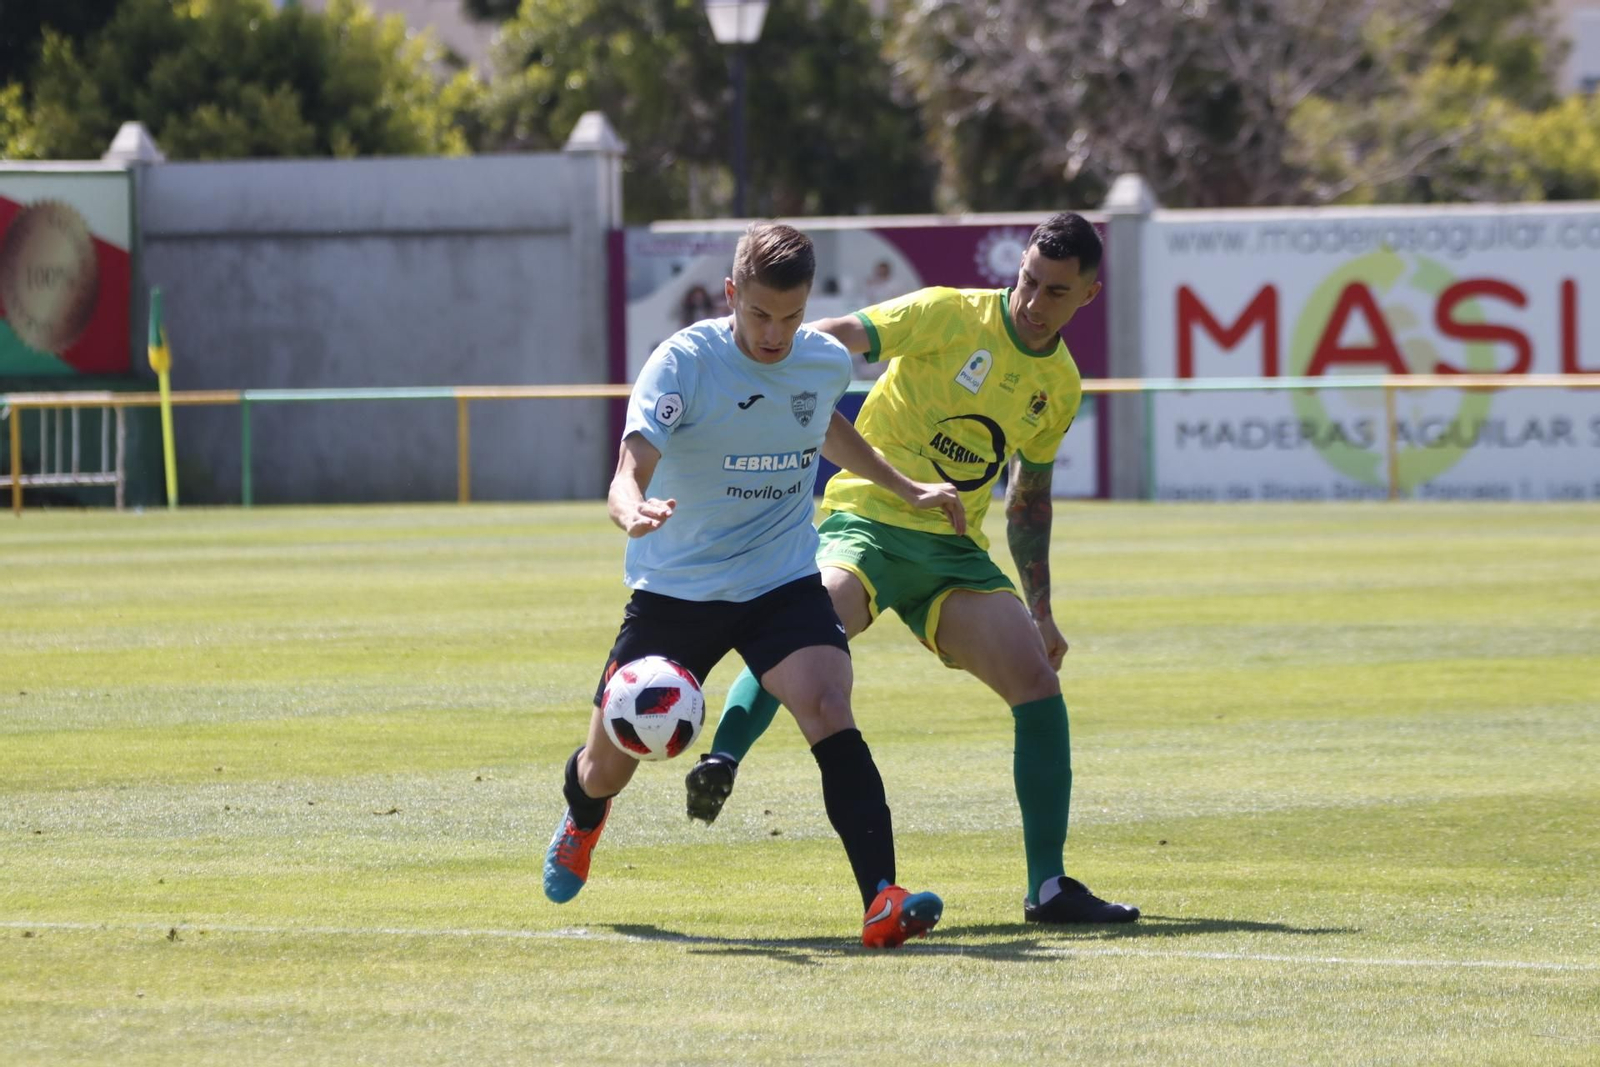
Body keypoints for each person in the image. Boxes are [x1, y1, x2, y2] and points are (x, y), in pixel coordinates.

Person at [684, 212, 1140, 925]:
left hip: (951, 551)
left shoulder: (1060, 385)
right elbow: (836, 335)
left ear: (1088, 294)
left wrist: (1042, 609)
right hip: (866, 518)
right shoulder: (948, 313)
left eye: (1055, 291)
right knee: (810, 623)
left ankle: (1048, 887)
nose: (1032, 301)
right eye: (1027, 280)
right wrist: (764, 373)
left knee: (1036, 681)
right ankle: (723, 758)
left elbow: (1029, 500)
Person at [544, 221, 968, 949]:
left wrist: (907, 487)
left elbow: (824, 427)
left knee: (829, 704)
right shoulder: (683, 362)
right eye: (760, 314)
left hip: (780, 579)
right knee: (606, 768)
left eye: (791, 317)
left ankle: (882, 898)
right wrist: (631, 510)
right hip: (675, 590)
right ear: (731, 294)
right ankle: (584, 816)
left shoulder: (822, 359)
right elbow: (627, 470)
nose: (775, 334)